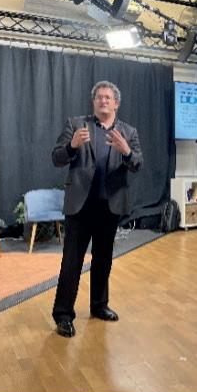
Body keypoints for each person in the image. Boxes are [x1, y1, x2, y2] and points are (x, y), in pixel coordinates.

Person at [51, 81, 143, 338]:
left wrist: (126, 152)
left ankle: (99, 306)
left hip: (110, 207)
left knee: (103, 259)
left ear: (116, 104)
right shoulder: (76, 125)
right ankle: (63, 315)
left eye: (108, 97)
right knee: (71, 262)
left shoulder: (128, 132)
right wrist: (71, 146)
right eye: (99, 97)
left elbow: (137, 164)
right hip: (80, 207)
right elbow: (56, 158)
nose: (103, 100)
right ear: (94, 102)